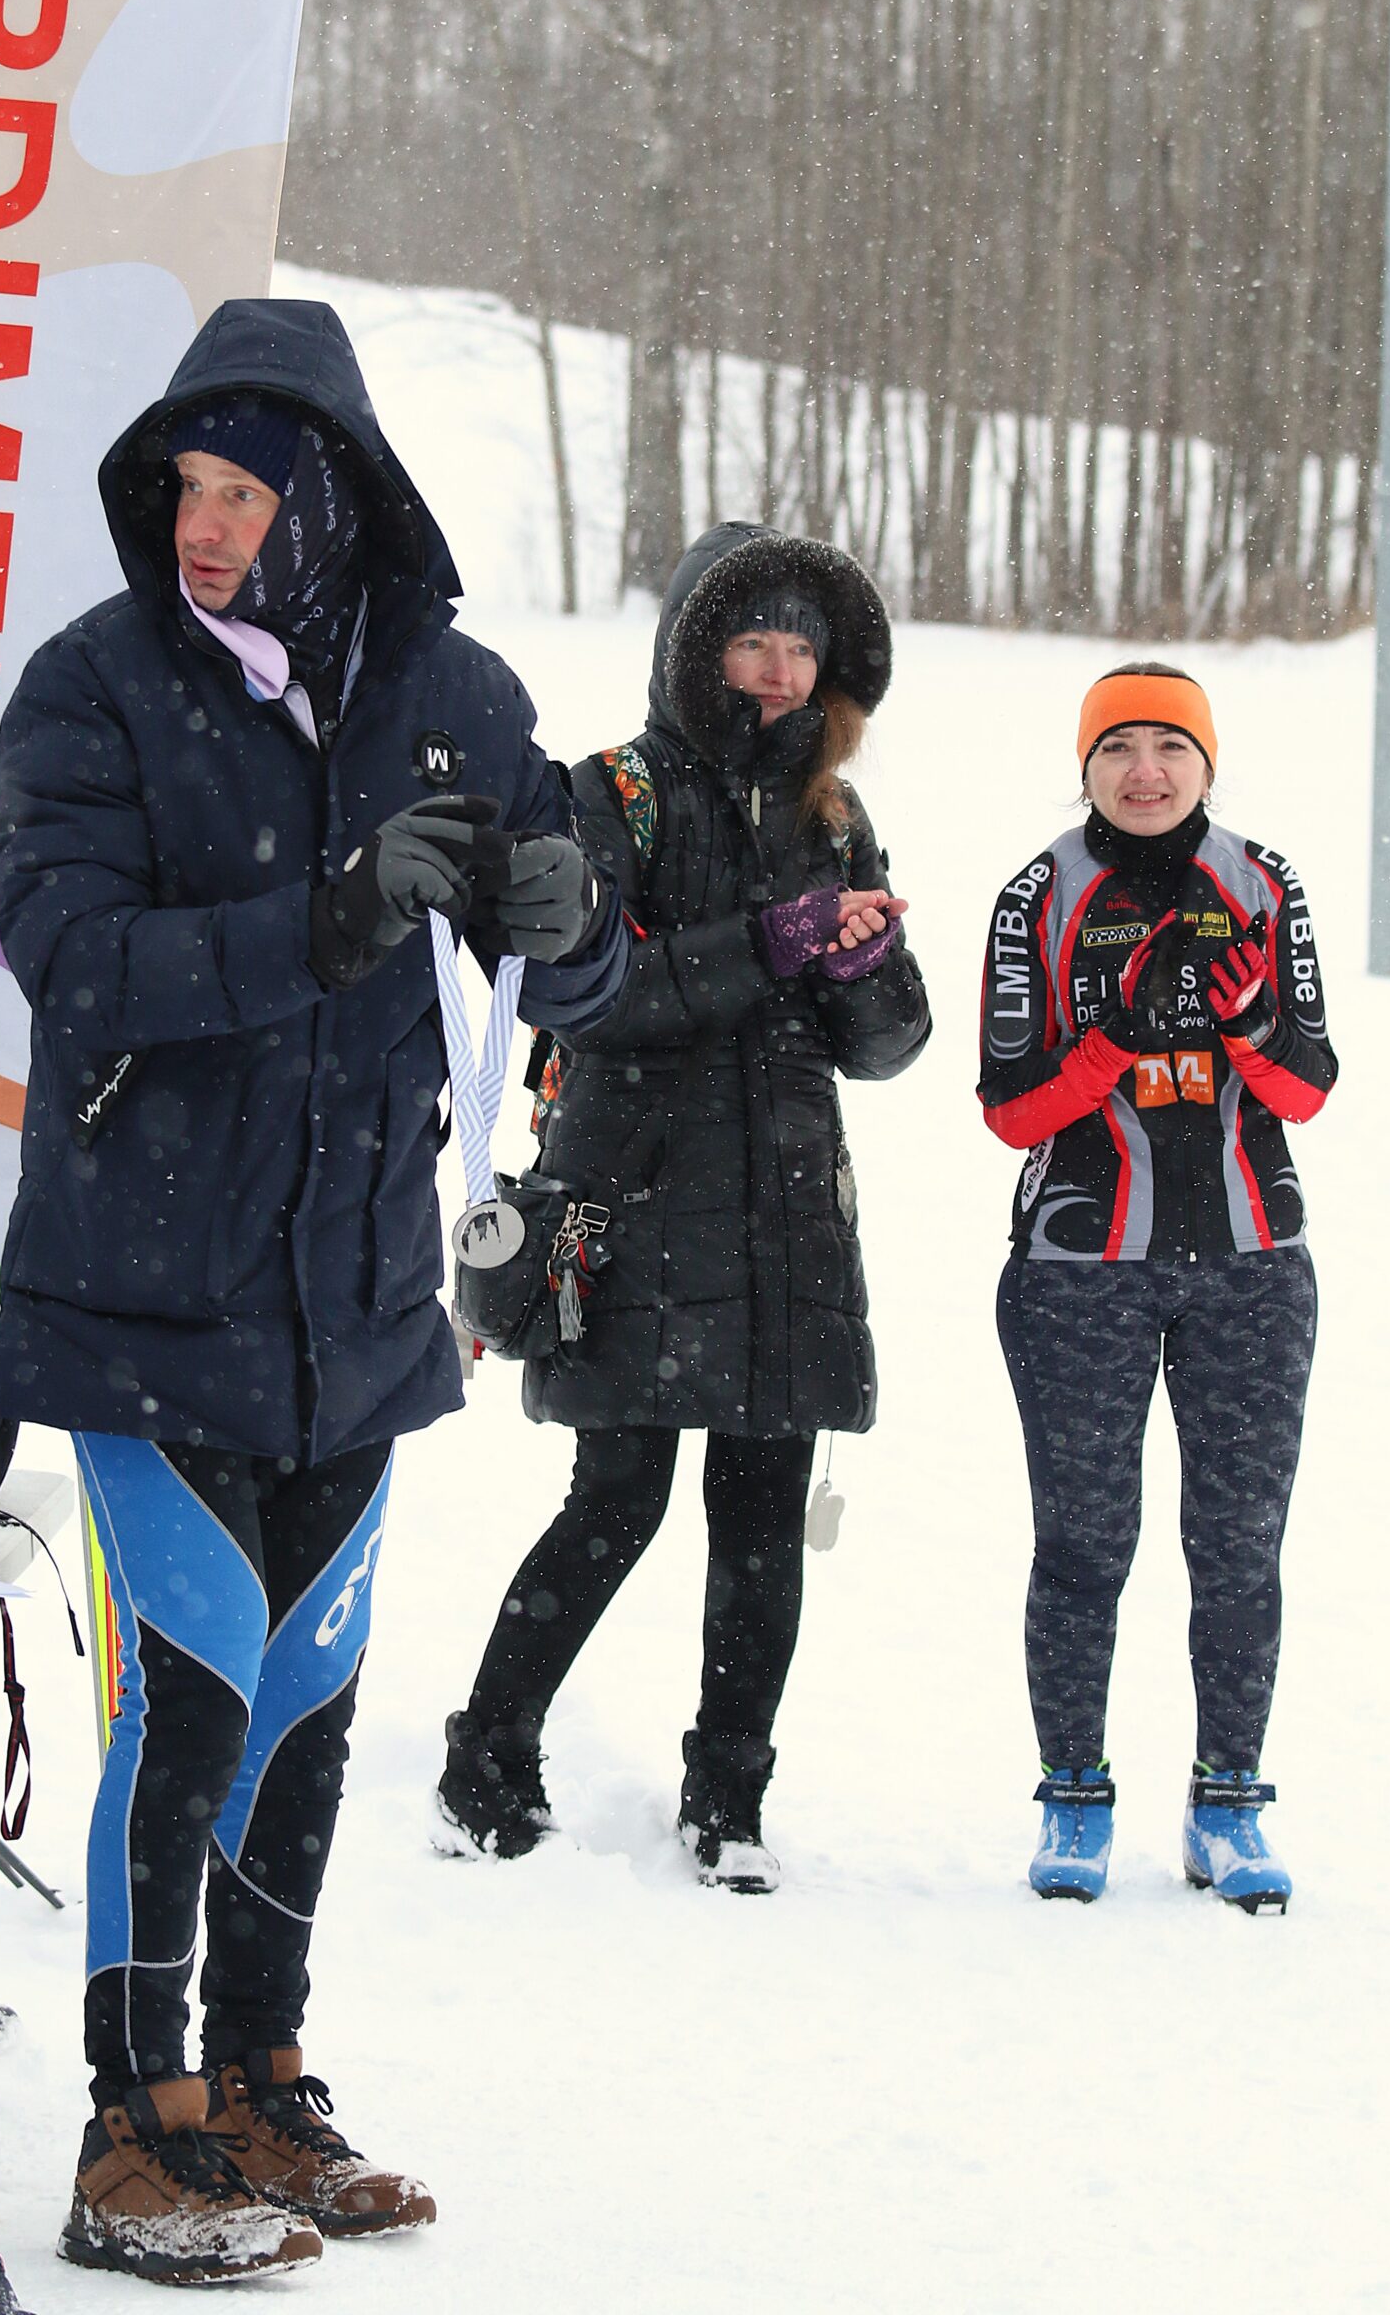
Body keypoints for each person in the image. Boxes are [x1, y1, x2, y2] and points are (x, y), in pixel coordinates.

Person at [0, 297, 627, 2284]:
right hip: (143, 1294)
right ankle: (129, 2130)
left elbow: (570, 971)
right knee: (188, 1697)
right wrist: (319, 919)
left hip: (356, 1308)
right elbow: (72, 959)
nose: (204, 523)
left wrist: (570, 921)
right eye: (187, 485)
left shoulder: (458, 696)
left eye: (243, 493)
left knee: (305, 1714)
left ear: (327, 497)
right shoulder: (94, 687)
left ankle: (256, 2084)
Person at [436, 520, 930, 1893]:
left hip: (786, 1207)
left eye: (798, 648)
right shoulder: (613, 794)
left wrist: (864, 967)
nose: (775, 670)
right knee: (615, 1502)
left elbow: (889, 1048)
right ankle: (485, 1760)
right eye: (749, 640)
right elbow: (590, 995)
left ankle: (729, 1799)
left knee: (764, 1518)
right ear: (691, 650)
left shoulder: (834, 817)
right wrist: (766, 942)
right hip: (634, 1198)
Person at [978, 662, 1337, 1913]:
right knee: (1084, 1544)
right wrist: (1115, 1042)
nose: (1145, 771)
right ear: (1084, 767)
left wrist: (1251, 1024)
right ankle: (1074, 1794)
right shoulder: (1038, 895)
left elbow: (1308, 1088)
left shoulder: (1264, 884)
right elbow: (1011, 1106)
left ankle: (1228, 1802)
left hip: (1253, 1264)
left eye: (1170, 747)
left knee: (1239, 1549)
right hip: (1081, 1272)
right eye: (1118, 747)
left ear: (1205, 763)